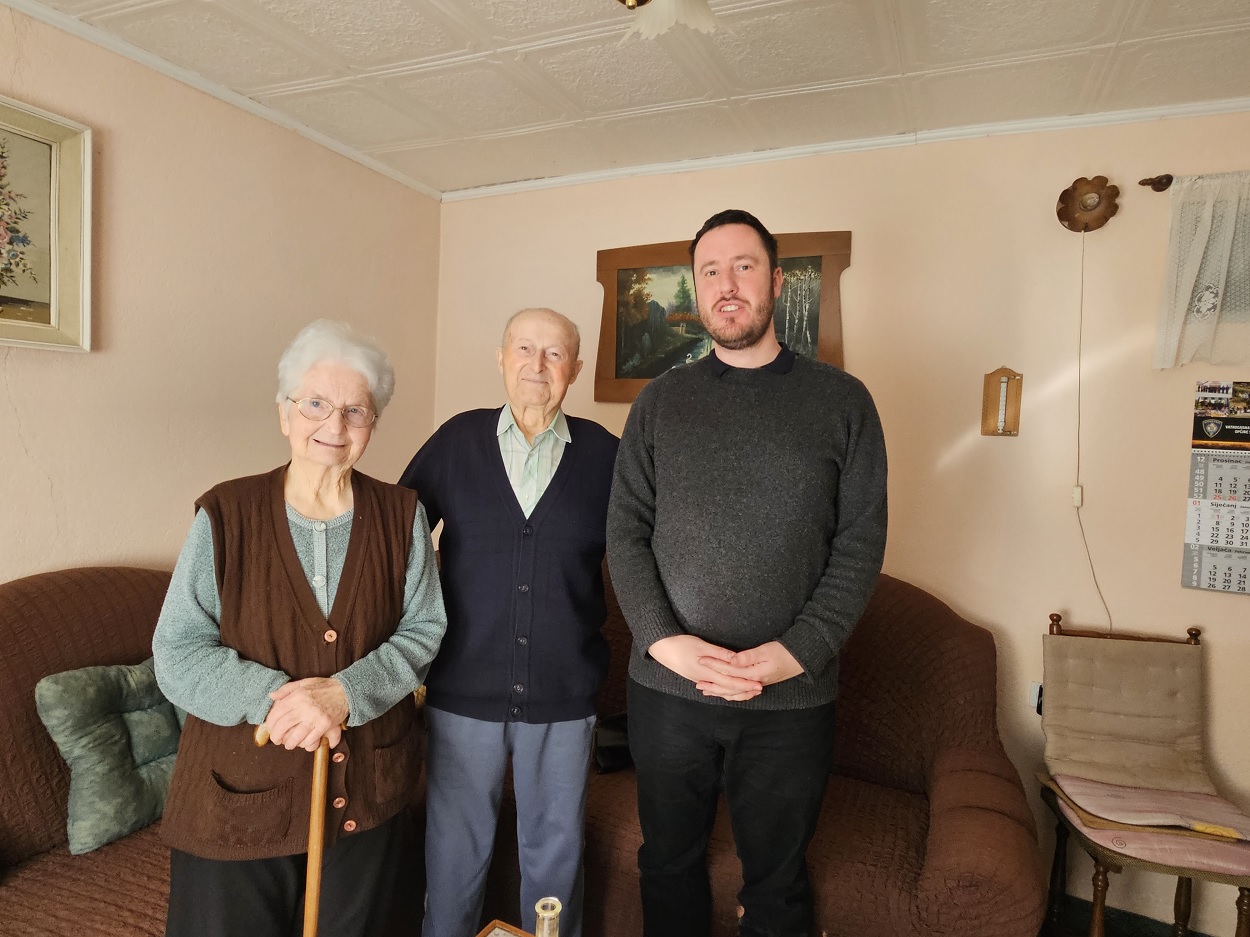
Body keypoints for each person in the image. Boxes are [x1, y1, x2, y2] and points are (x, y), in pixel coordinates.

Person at [606, 209, 888, 937]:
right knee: (666, 863)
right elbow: (625, 535)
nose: (726, 285)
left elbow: (859, 545)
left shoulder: (843, 402)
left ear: (777, 281)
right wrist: (665, 642)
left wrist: (795, 653)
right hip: (668, 691)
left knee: (777, 883)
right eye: (710, 271)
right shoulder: (660, 402)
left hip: (790, 698)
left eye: (744, 266)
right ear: (697, 290)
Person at [153, 319, 447, 937]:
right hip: (236, 799)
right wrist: (281, 704)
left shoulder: (403, 515)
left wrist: (345, 694)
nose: (334, 425)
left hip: (365, 798)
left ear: (373, 423)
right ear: (284, 412)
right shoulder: (226, 514)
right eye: (315, 404)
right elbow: (178, 652)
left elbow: (424, 630)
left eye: (355, 410)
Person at [399, 307, 619, 937]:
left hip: (562, 694)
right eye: (524, 349)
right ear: (501, 358)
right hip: (461, 691)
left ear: (575, 368)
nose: (537, 366)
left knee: (555, 858)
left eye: (555, 354)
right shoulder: (456, 441)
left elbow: (644, 553)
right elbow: (396, 539)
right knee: (453, 855)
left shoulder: (606, 455)